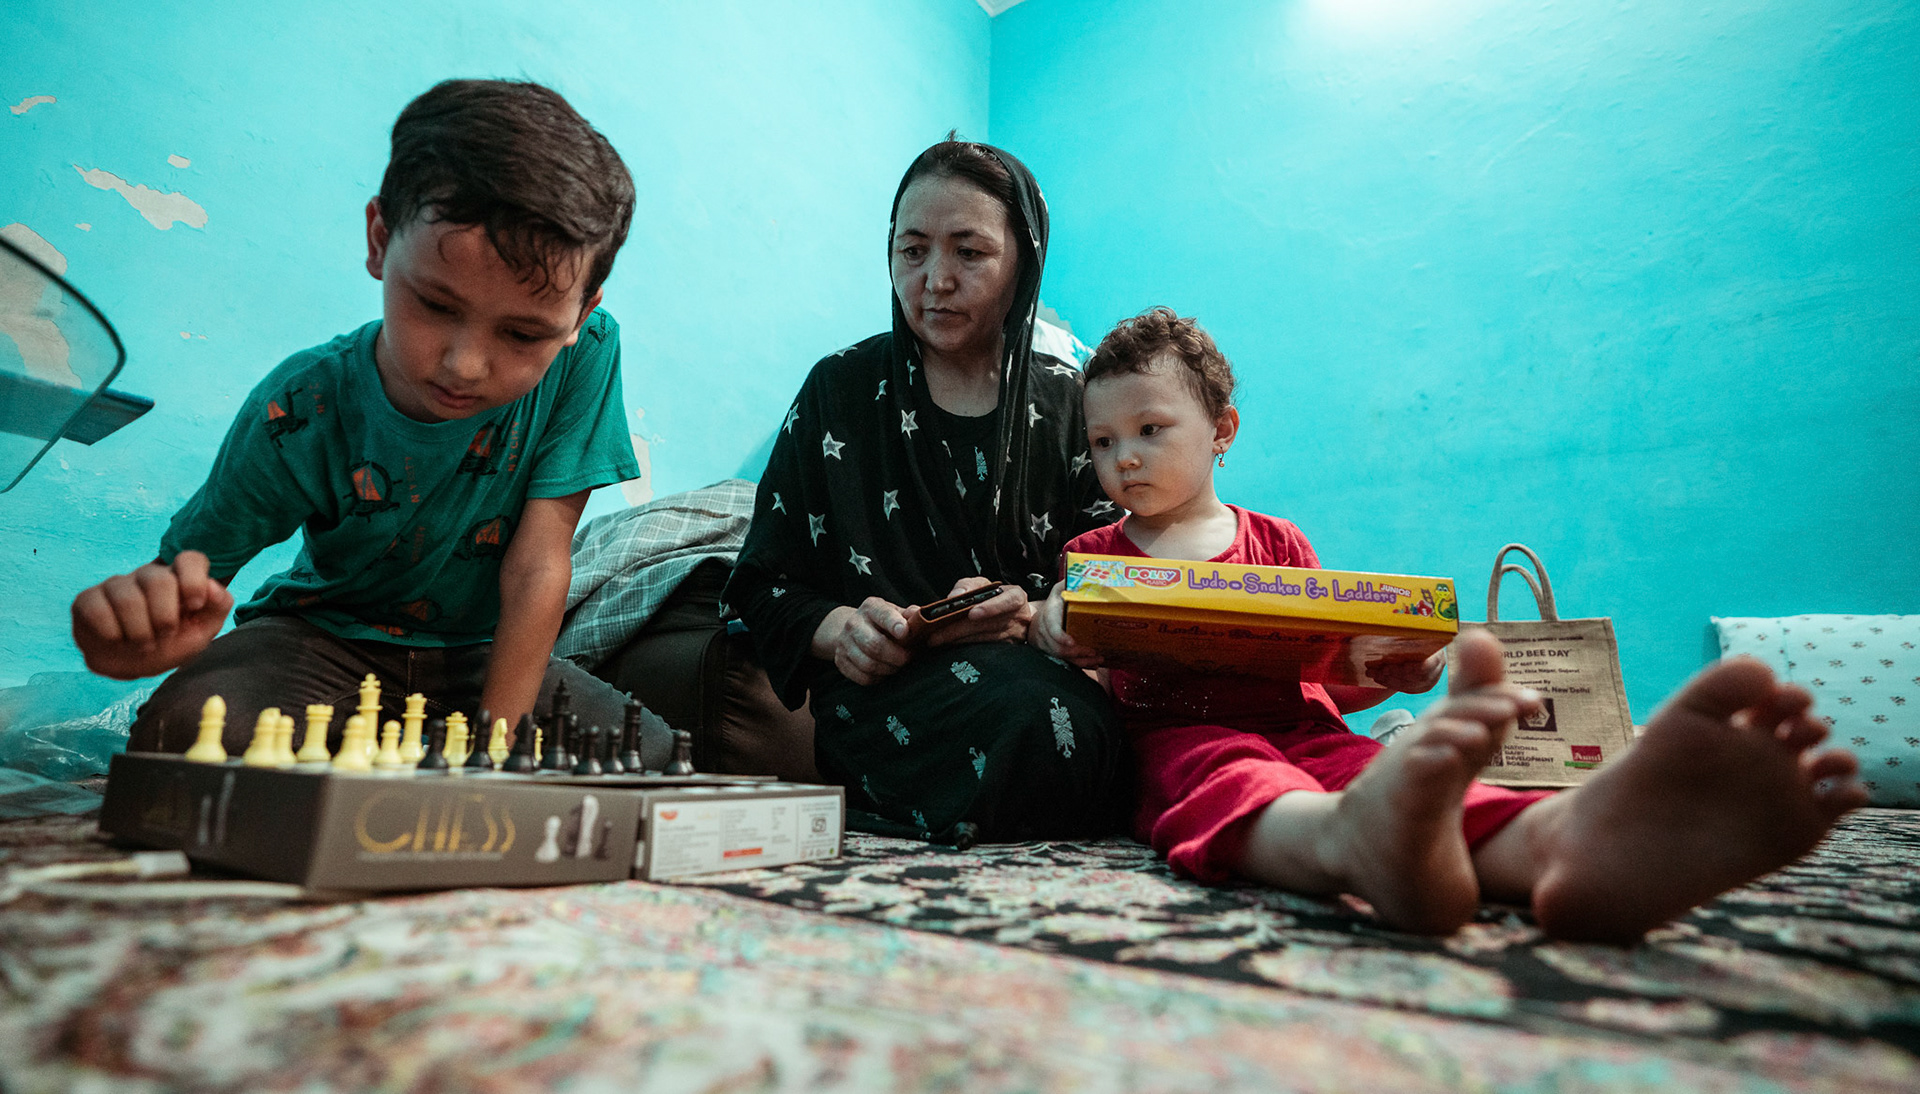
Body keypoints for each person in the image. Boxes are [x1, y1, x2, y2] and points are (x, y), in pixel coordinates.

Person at [1030, 307, 1867, 940]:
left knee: (1388, 776)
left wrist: (1403, 670)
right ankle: (1343, 843)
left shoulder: (1277, 542)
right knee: (1233, 781)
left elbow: (1334, 670)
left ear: (1221, 432)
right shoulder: (1096, 551)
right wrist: (1055, 626)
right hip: (1178, 736)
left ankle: (1560, 843)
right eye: (1103, 443)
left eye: (1149, 430)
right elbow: (1081, 662)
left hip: (1300, 723)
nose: (1124, 459)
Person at [72, 80, 659, 760]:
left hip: (483, 659)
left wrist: (494, 759)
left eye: (523, 335)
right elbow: (185, 581)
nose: (466, 365)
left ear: (579, 316)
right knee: (187, 731)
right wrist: (138, 635)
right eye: (437, 305)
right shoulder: (301, 403)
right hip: (319, 643)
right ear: (380, 240)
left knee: (650, 758)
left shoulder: (586, 353)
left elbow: (537, 565)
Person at [725, 137, 1127, 845]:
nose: (935, 279)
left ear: (1022, 265)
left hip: (1043, 681)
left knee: (1070, 722)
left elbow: (1112, 576)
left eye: (969, 253)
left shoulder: (1072, 404)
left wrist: (1033, 615)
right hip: (884, 705)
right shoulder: (838, 391)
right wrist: (843, 631)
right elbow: (759, 587)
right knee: (1036, 723)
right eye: (912, 251)